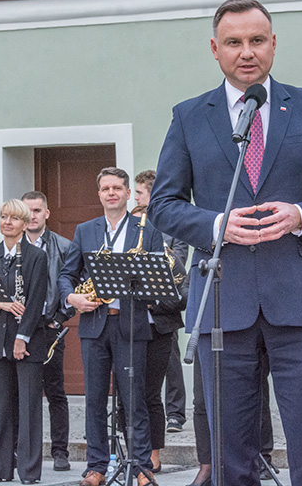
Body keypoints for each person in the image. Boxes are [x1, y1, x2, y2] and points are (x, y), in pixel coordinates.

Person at [147, 0, 302, 486]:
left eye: (256, 40)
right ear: (215, 49)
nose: (246, 52)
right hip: (223, 303)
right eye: (234, 42)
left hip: (300, 301)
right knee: (229, 450)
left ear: (273, 43)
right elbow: (163, 204)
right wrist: (215, 225)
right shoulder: (189, 116)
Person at [59, 167, 164, 486]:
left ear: (128, 193)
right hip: (94, 325)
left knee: (135, 399)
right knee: (94, 399)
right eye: (105, 189)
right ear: (99, 194)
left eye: (117, 188)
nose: (111, 193)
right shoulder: (85, 230)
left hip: (131, 323)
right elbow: (67, 275)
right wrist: (71, 297)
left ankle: (142, 466)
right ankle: (96, 467)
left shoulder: (147, 229)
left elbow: (158, 277)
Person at [116, 204, 188, 474]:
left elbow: (184, 296)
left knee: (150, 395)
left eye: (144, 225)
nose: (140, 231)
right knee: (125, 396)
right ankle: (132, 453)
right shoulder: (120, 256)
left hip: (158, 331)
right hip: (126, 331)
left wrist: (153, 300)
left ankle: (153, 454)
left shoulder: (168, 256)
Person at [0, 199, 47, 483]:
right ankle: (1, 469)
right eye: (4, 217)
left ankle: (29, 471)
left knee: (29, 407)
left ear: (24, 224)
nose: (7, 222)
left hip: (27, 341)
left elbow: (36, 301)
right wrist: (0, 304)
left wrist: (23, 337)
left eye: (14, 218)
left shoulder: (36, 256)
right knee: (2, 407)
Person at [21, 190, 73, 472]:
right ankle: (20, 450)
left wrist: (59, 318)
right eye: (27, 211)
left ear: (47, 214)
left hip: (49, 327)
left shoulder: (63, 246)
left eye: (37, 210)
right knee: (21, 392)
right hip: (19, 329)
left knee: (55, 391)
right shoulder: (12, 246)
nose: (32, 216)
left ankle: (60, 451)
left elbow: (75, 285)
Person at [134, 170, 189, 434]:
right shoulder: (133, 224)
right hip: (136, 309)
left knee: (171, 362)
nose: (135, 197)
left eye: (139, 193)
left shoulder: (172, 227)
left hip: (164, 308)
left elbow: (177, 263)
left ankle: (175, 413)